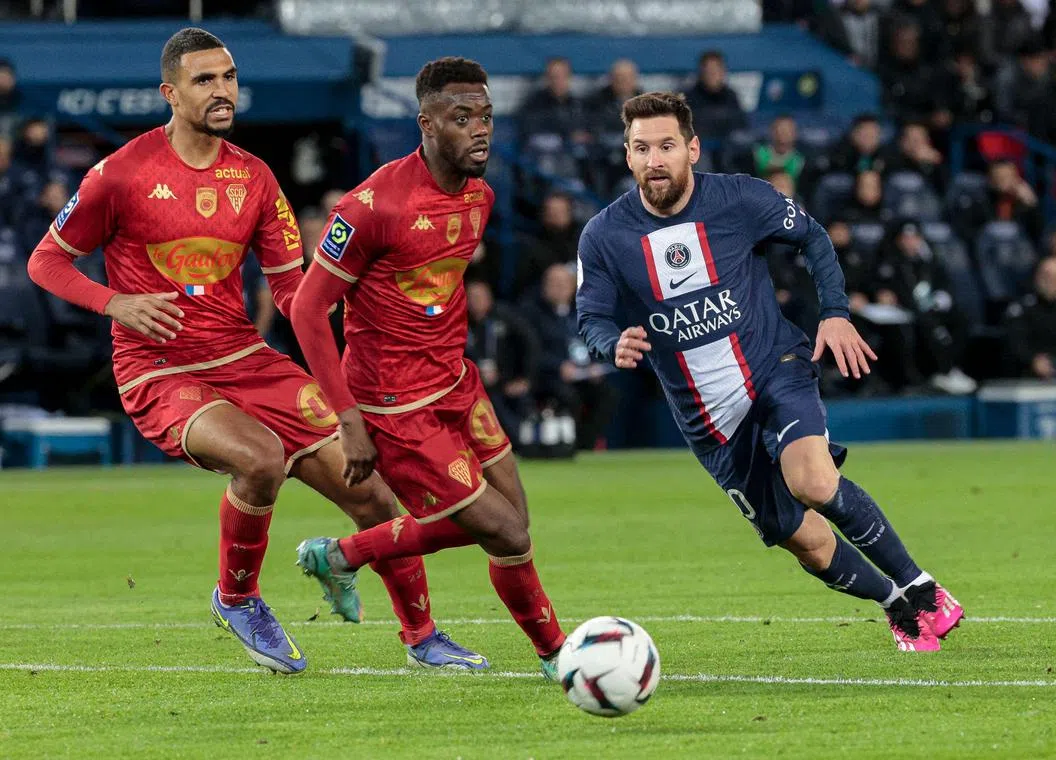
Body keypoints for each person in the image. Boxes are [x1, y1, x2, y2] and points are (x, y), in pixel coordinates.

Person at [24, 28, 480, 675]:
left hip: (245, 359)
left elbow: (295, 297)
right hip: (159, 368)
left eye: (229, 77)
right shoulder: (119, 174)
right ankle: (236, 597)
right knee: (261, 458)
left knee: (374, 493)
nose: (221, 90)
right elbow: (46, 262)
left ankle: (424, 637)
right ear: (170, 93)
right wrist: (114, 303)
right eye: (204, 80)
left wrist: (354, 373)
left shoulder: (256, 177)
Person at [575, 92, 963, 651]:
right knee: (803, 540)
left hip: (773, 369)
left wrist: (834, 313)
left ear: (692, 148)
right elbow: (591, 314)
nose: (654, 159)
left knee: (811, 479)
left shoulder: (741, 198)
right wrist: (612, 343)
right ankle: (894, 603)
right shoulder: (604, 235)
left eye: (665, 146)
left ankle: (923, 589)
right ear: (627, 155)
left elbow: (813, 236)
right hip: (709, 422)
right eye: (642, 148)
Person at [288, 58, 568, 677]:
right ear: (427, 124)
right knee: (507, 533)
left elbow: (435, 294)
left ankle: (342, 554)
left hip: (457, 384)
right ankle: (560, 655)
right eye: (462, 117)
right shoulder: (371, 207)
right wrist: (349, 418)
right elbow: (308, 310)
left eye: (487, 116)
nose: (480, 130)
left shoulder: (481, 197)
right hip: (395, 406)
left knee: (514, 525)